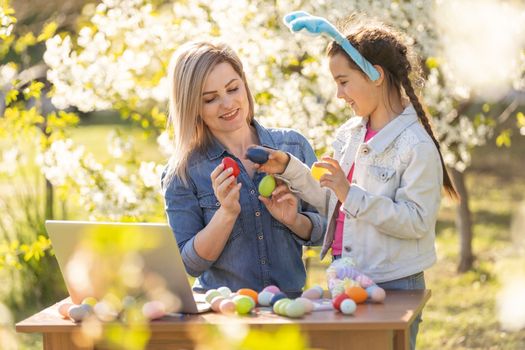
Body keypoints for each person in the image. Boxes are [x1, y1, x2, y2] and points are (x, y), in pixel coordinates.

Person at [257, 17, 457, 349]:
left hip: (393, 286)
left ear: (375, 75)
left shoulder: (416, 146)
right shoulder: (349, 135)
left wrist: (351, 194)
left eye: (344, 81)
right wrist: (290, 169)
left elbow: (417, 221)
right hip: (345, 277)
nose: (338, 95)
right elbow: (331, 200)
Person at [161, 41, 325, 297]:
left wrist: (295, 221)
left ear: (244, 84)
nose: (227, 104)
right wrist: (226, 213)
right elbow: (190, 264)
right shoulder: (182, 173)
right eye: (210, 99)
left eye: (232, 88)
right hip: (224, 317)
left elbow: (329, 230)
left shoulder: (291, 146)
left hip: (288, 310)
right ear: (193, 107)